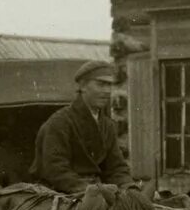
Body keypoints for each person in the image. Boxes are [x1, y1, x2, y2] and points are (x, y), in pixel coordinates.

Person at [29, 60, 137, 193]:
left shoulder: (107, 126)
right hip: (61, 192)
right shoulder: (60, 122)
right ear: (83, 86)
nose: (107, 91)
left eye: (109, 85)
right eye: (101, 84)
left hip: (95, 193)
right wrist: (89, 190)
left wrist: (129, 187)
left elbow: (116, 167)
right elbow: (55, 168)